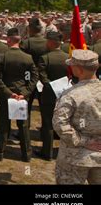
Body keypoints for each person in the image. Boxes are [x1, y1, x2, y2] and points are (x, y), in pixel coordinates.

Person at [53, 50, 101, 184]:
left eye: (72, 66)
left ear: (79, 70)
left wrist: (84, 141)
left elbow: (60, 124)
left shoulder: (71, 94)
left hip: (74, 158)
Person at [0, 28, 38, 162]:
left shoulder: (3, 56)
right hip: (21, 94)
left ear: (8, 40)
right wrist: (24, 93)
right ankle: (26, 154)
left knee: (4, 124)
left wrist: (8, 92)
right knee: (23, 125)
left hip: (7, 95)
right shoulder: (28, 57)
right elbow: (34, 78)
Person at [36, 31, 69, 161]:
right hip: (66, 94)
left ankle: (47, 152)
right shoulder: (68, 57)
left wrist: (52, 87)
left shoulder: (45, 58)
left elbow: (43, 77)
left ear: (50, 42)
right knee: (65, 122)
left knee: (48, 124)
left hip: (49, 95)